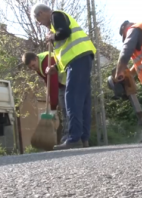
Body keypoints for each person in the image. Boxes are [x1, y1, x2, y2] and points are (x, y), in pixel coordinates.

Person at [31, 3, 96, 150]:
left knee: (71, 98)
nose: (41, 24)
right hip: (82, 58)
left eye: (38, 21)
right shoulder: (56, 20)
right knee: (83, 99)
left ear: (41, 13)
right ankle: (83, 138)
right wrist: (56, 67)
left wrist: (52, 37)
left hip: (78, 59)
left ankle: (74, 138)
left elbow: (64, 32)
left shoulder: (56, 16)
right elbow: (65, 50)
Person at [22, 51, 68, 143]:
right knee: (65, 111)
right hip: (62, 84)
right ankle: (68, 136)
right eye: (30, 67)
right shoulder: (39, 67)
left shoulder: (47, 61)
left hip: (68, 80)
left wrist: (53, 108)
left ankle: (71, 137)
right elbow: (48, 83)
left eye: (33, 65)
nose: (32, 68)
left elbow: (53, 85)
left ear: (36, 59)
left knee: (67, 110)